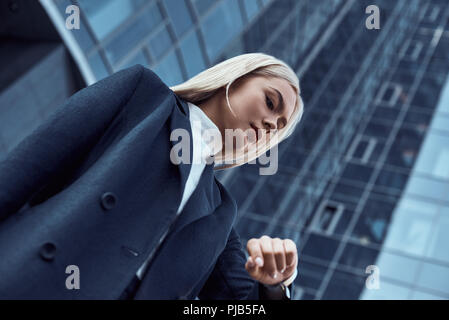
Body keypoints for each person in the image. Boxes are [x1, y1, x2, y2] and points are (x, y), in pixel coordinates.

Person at [0, 52, 304, 300]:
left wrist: (274, 285)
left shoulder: (221, 211)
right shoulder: (143, 97)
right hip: (37, 279)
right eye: (270, 102)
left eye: (278, 128)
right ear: (236, 78)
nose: (269, 124)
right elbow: (31, 165)